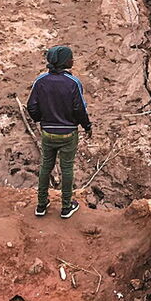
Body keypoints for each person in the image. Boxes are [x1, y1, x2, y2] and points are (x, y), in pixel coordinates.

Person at [26, 46, 92, 219]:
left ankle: (41, 204)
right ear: (65, 62)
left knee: (45, 166)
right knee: (67, 168)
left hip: (48, 132)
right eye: (71, 58)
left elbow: (31, 106)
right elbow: (79, 109)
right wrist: (86, 126)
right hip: (68, 133)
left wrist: (41, 119)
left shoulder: (41, 81)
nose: (73, 61)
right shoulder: (73, 83)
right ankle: (66, 206)